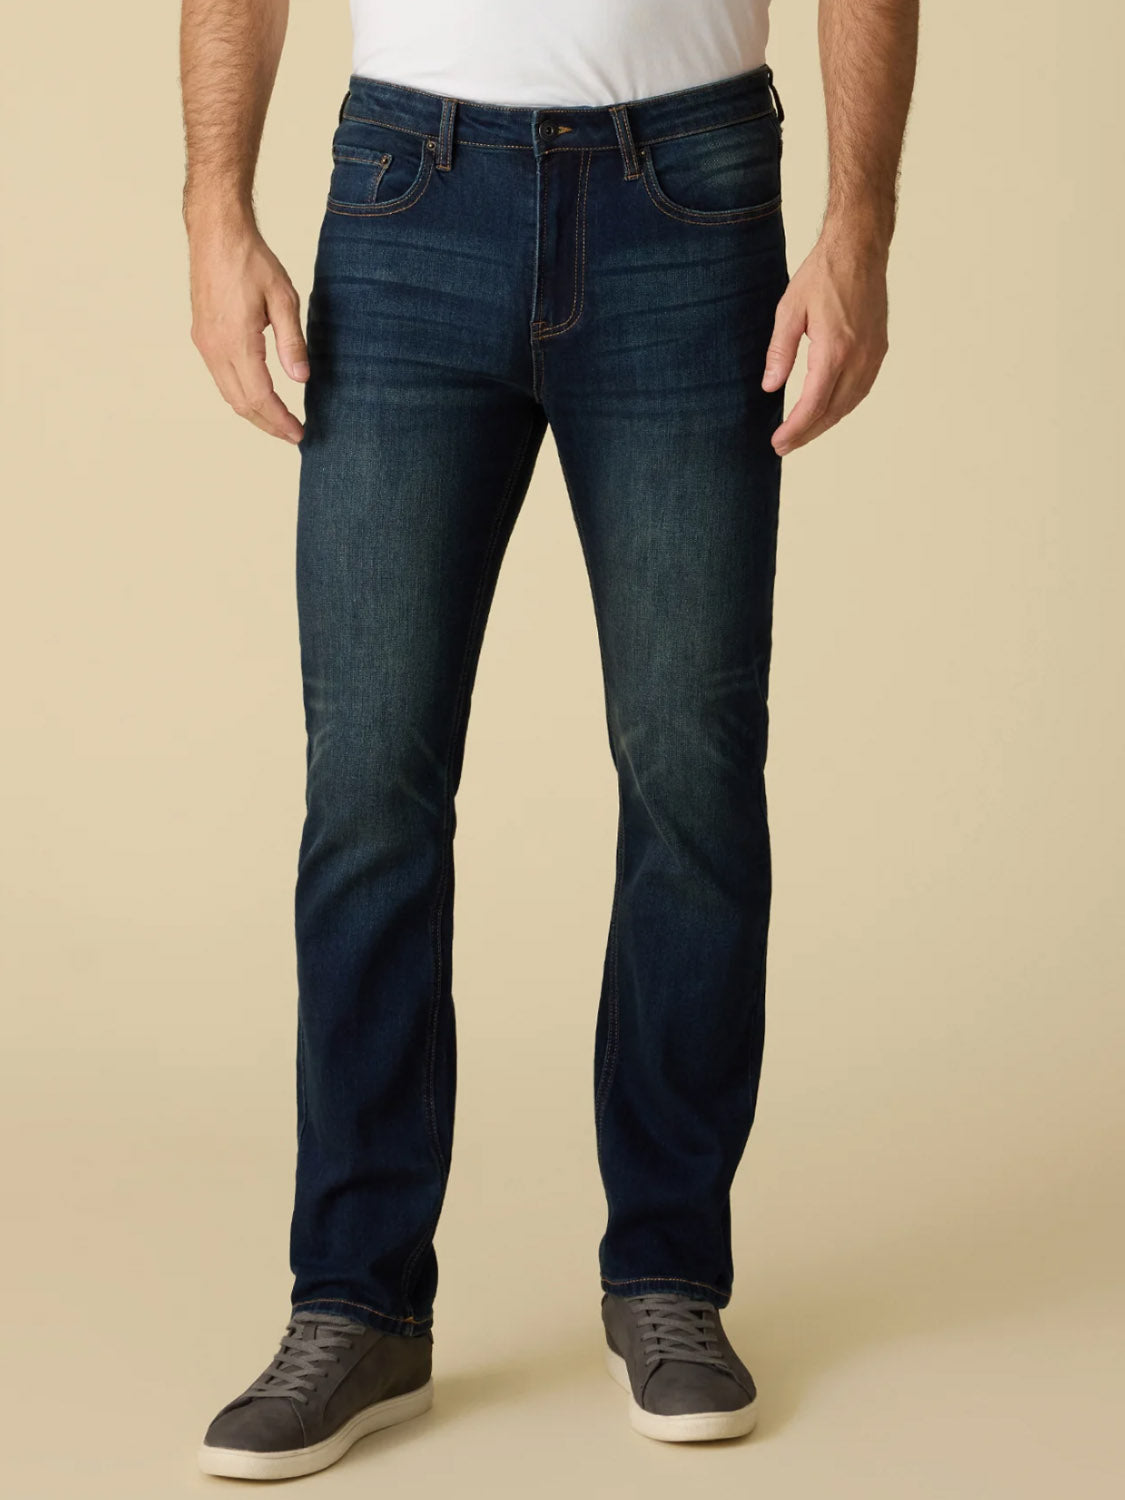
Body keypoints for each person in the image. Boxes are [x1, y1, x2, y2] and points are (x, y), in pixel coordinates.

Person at [181, 0, 917, 1478]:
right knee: (371, 786)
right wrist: (213, 203)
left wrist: (857, 224)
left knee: (690, 773)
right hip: (407, 191)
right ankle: (357, 1298)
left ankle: (667, 1277)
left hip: (690, 195)